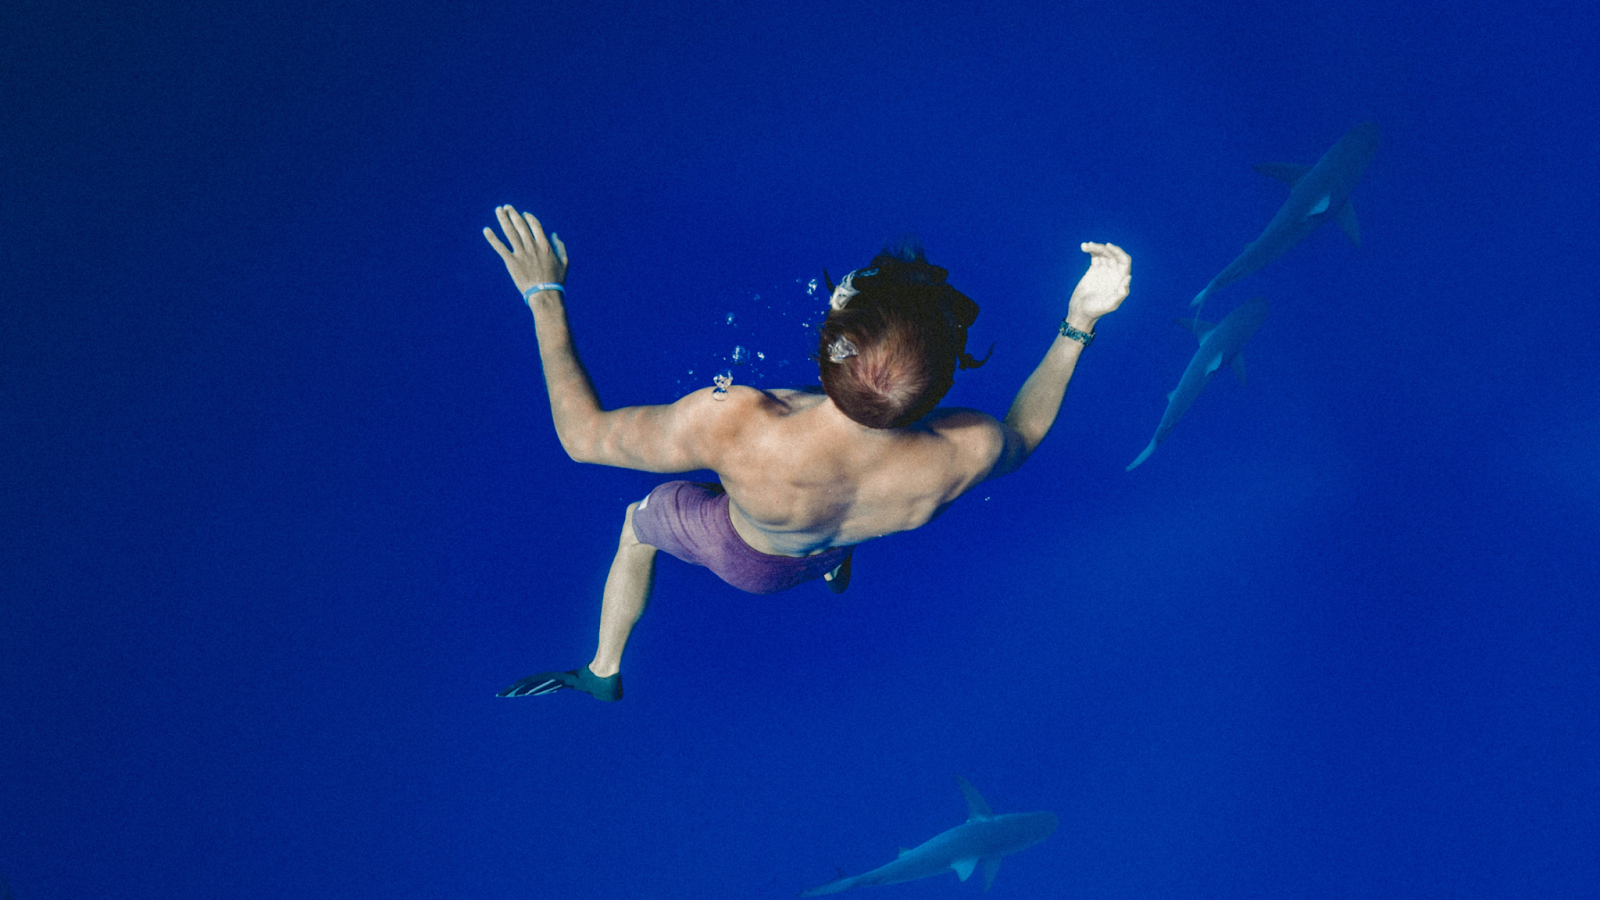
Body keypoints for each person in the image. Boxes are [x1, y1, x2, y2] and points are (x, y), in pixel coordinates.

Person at [482, 205, 1131, 702]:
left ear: (833, 344)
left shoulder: (737, 422)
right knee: (835, 534)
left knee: (634, 526)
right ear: (940, 383)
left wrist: (545, 295)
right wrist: (1080, 320)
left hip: (746, 556)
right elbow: (1026, 434)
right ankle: (831, 567)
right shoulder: (965, 448)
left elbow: (582, 437)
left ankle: (602, 672)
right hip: (842, 533)